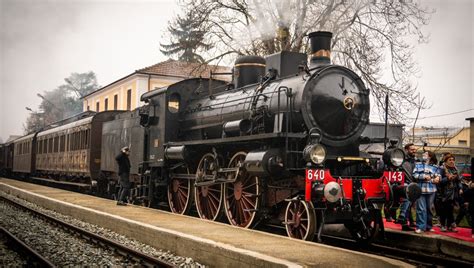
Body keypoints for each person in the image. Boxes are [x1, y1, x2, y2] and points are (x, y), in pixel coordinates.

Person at [413, 150, 440, 234]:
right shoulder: (418, 165)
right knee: (421, 209)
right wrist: (423, 176)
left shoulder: (435, 167)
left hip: (431, 190)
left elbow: (438, 175)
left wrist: (438, 178)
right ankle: (420, 227)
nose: (423, 155)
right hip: (420, 190)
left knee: (429, 208)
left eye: (425, 154)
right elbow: (414, 175)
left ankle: (429, 226)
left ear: (430, 156)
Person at [438, 153, 461, 232]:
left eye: (453, 160)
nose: (452, 161)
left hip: (453, 193)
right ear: (446, 161)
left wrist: (460, 188)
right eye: (450, 160)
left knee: (450, 209)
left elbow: (458, 181)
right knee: (444, 210)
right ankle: (443, 225)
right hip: (444, 193)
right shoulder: (441, 168)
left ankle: (450, 226)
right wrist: (448, 178)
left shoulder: (455, 169)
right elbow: (439, 181)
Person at [397, 143, 417, 231]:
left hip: (413, 183)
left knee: (409, 204)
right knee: (407, 199)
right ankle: (402, 216)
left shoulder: (415, 161)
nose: (414, 151)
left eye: (415, 149)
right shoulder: (401, 160)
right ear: (406, 150)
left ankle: (407, 222)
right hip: (404, 183)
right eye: (412, 149)